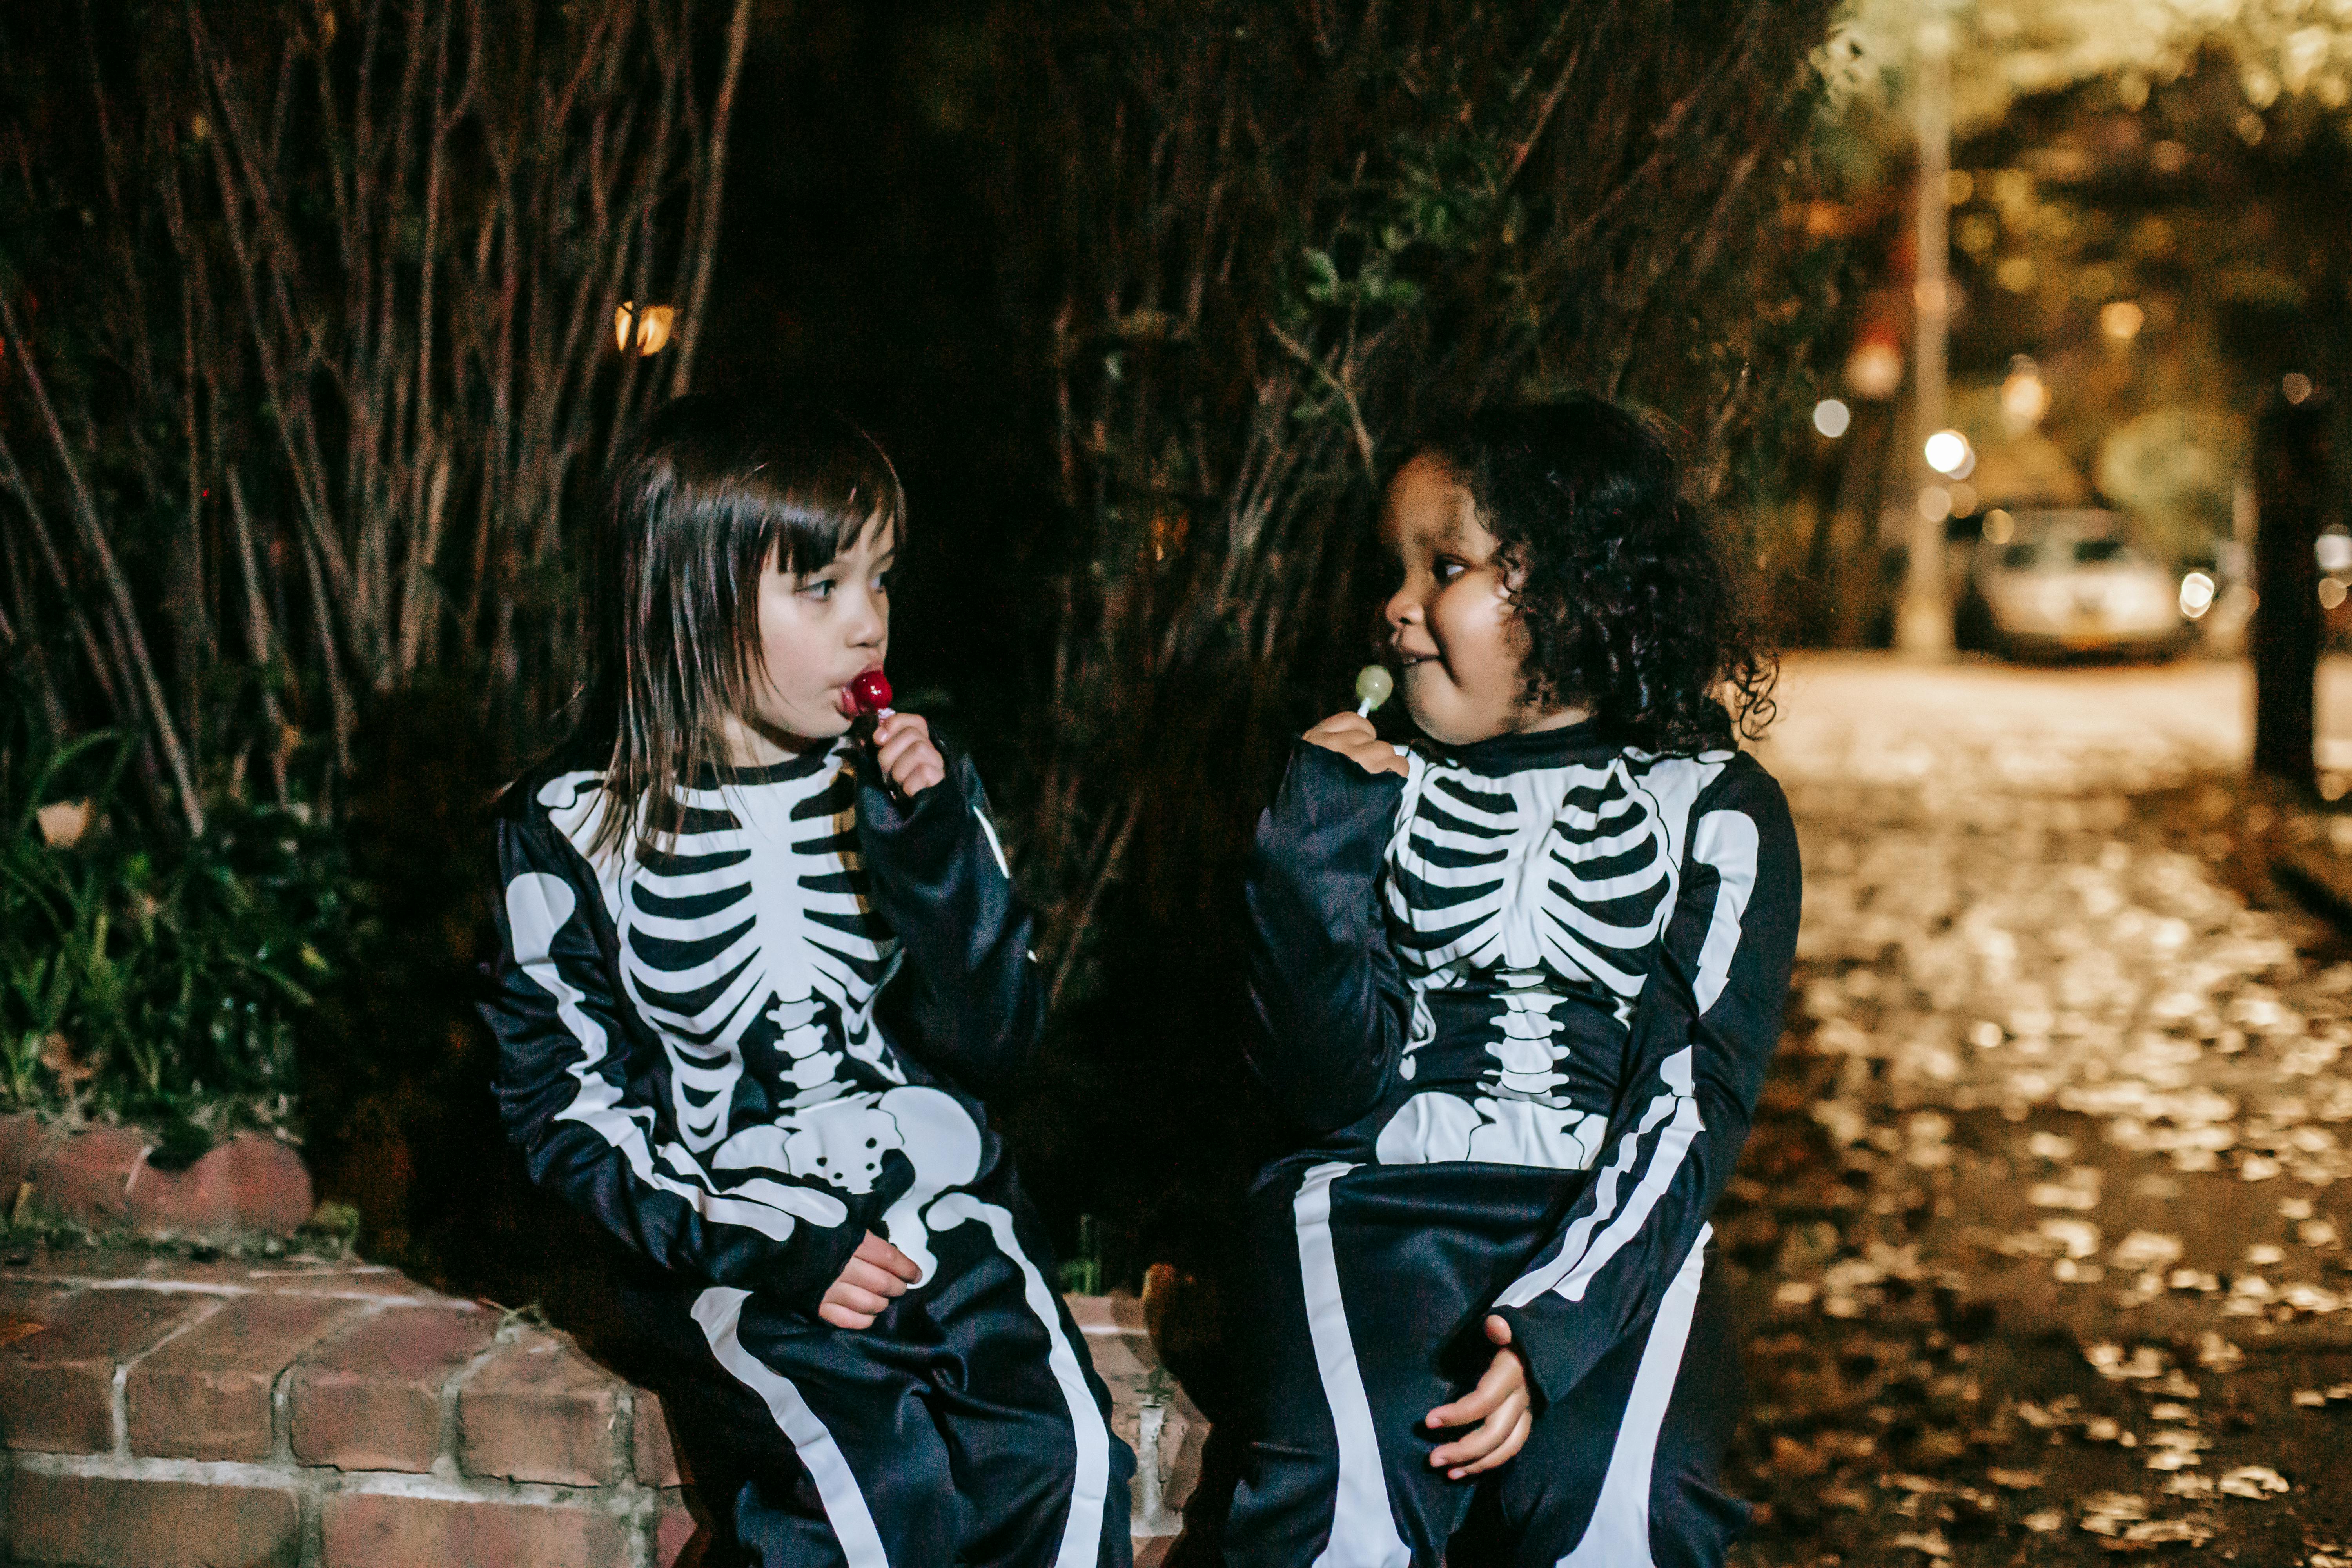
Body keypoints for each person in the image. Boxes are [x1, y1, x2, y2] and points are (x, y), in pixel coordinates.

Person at [482, 396, 1134, 1567]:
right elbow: (560, 1106)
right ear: (691, 598)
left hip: (945, 1210)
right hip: (742, 1240)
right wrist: (744, 1236)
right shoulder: (571, 831)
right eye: (822, 589)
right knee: (867, 1498)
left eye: (880, 582)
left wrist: (934, 855)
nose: (869, 626)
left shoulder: (908, 786)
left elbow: (999, 1038)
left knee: (1071, 1467)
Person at [1223, 397, 1800, 1568]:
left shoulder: (1716, 809)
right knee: (1341, 1504)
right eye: (1397, 570)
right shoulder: (1370, 789)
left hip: (1619, 1225)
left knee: (1636, 1513)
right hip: (1375, 1204)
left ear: (1577, 590)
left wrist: (1557, 1327)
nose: (1396, 607)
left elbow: (1693, 1099)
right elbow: (1324, 1091)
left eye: (1443, 567)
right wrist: (1310, 865)